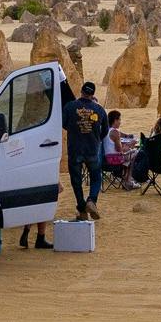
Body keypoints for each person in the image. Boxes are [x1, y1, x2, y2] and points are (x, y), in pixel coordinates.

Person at [66, 80, 108, 221]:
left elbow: (65, 124)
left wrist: (75, 131)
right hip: (92, 149)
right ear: (93, 94)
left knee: (76, 180)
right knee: (96, 177)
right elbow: (106, 130)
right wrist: (96, 138)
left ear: (82, 92)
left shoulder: (70, 107)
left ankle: (81, 206)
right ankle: (91, 201)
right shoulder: (100, 109)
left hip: (75, 149)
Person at [103, 109, 136, 190]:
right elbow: (120, 150)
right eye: (119, 120)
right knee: (135, 153)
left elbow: (120, 136)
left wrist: (127, 139)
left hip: (105, 159)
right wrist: (130, 145)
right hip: (114, 159)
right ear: (115, 120)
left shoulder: (106, 130)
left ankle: (125, 178)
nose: (120, 122)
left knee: (128, 158)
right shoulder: (115, 132)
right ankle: (128, 181)